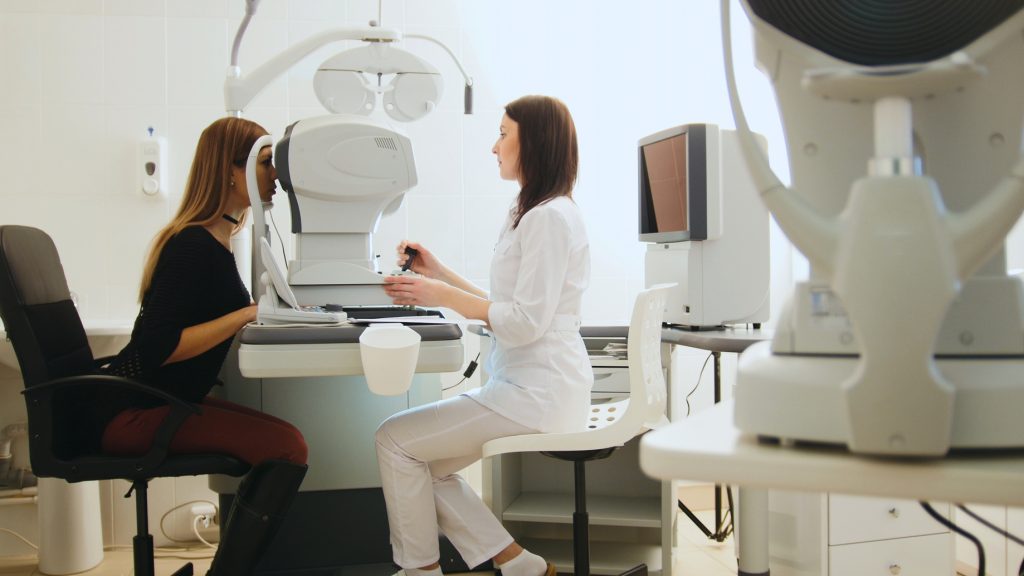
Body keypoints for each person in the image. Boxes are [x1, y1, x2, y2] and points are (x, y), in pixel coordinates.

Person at [376, 95, 591, 576]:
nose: (494, 147)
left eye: (503, 134)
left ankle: (421, 572)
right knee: (424, 464)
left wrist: (439, 294)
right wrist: (439, 274)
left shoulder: (548, 218)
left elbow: (524, 321)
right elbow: (510, 305)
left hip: (538, 394)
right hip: (528, 387)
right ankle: (520, 565)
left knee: (394, 441)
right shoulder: (531, 211)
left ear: (533, 143)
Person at [99, 117, 308, 576]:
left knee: (288, 443)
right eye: (265, 163)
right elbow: (157, 347)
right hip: (134, 413)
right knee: (287, 447)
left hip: (161, 402)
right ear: (231, 171)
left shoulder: (216, 240)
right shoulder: (193, 245)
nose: (275, 175)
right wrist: (247, 314)